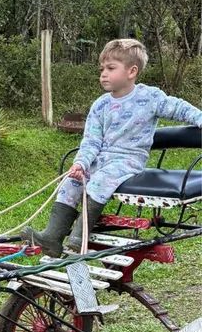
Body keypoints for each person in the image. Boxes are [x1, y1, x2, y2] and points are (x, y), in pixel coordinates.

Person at [23, 39, 202, 256]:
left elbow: (179, 108)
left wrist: (199, 118)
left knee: (100, 180)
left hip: (129, 159)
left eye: (110, 68)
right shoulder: (100, 105)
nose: (103, 74)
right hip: (102, 159)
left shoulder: (150, 97)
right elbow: (91, 141)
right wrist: (81, 163)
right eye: (102, 69)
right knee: (71, 182)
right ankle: (52, 237)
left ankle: (79, 237)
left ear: (132, 71)